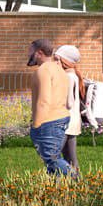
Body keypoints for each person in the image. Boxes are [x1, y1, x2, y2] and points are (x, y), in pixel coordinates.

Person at [26, 39, 74, 176]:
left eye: (31, 52)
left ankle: (77, 180)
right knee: (52, 159)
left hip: (48, 121)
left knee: (52, 159)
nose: (29, 55)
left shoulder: (43, 70)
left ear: (39, 53)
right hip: (60, 117)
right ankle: (55, 189)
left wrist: (36, 125)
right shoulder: (58, 69)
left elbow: (43, 100)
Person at [54, 44, 88, 173]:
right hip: (73, 122)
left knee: (53, 157)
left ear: (66, 61)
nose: (55, 62)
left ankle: (53, 185)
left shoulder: (67, 77)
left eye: (58, 59)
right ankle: (77, 183)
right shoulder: (74, 75)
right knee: (71, 157)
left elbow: (69, 103)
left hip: (64, 122)